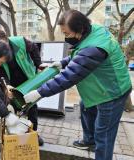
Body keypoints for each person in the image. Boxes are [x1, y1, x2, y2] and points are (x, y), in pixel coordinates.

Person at [23, 10, 132, 160]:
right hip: (101, 88)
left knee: (104, 134)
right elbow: (80, 54)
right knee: (86, 106)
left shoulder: (95, 48)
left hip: (112, 93)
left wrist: (39, 93)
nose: (66, 37)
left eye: (67, 34)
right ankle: (89, 140)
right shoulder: (94, 31)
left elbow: (68, 77)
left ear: (80, 29)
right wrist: (62, 62)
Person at [0, 29, 44, 146]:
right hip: (11, 83)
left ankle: (33, 134)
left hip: (27, 79)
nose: (1, 49)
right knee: (13, 108)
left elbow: (34, 49)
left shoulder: (20, 42)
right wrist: (7, 85)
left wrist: (38, 64)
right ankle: (14, 135)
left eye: (3, 44)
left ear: (7, 39)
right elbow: (0, 71)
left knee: (31, 107)